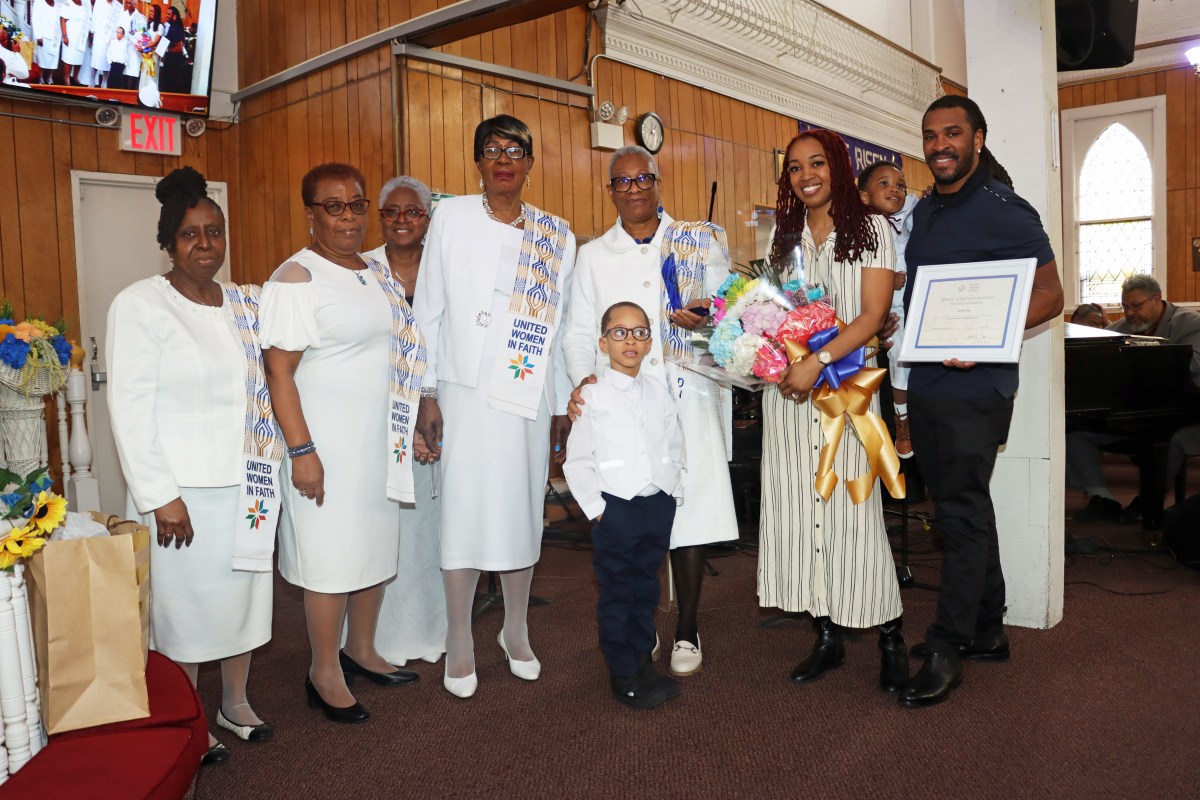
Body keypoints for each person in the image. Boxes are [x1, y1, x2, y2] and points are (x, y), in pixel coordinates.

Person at [107, 167, 278, 767]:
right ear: (168, 242)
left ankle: (234, 702)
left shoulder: (245, 305)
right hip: (182, 494)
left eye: (214, 232)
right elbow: (129, 409)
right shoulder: (140, 305)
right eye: (189, 235)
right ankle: (188, 717)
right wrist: (160, 495)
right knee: (183, 616)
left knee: (242, 604)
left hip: (248, 483)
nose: (205, 245)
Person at [898, 95, 1064, 708]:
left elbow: (1052, 293)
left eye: (952, 134)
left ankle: (946, 644)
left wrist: (991, 332)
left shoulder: (1005, 208)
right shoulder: (925, 213)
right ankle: (987, 627)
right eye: (931, 136)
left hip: (976, 387)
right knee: (957, 505)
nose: (940, 145)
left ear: (977, 137)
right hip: (929, 383)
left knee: (959, 513)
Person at [414, 114, 576, 699]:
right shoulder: (451, 216)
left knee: (518, 507)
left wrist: (559, 403)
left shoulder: (556, 234)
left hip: (525, 392)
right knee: (462, 510)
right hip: (462, 388)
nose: (503, 159)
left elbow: (559, 329)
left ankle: (515, 629)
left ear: (530, 163)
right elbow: (427, 308)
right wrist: (426, 391)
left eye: (515, 150)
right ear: (477, 162)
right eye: (491, 150)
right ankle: (460, 637)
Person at [562, 144, 738, 677]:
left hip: (688, 390)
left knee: (690, 509)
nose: (634, 189)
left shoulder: (694, 241)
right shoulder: (593, 255)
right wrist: (584, 385)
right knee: (632, 512)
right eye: (622, 181)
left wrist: (705, 320)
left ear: (659, 182)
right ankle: (642, 624)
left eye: (644, 179)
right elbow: (577, 330)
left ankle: (687, 627)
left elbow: (731, 317)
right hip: (620, 400)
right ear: (610, 190)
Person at [260, 162, 426, 724]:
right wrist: (302, 453)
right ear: (310, 215)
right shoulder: (295, 279)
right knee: (329, 560)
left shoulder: (373, 272)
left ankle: (362, 648)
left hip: (375, 442)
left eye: (356, 204)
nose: (348, 217)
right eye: (333, 206)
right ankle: (323, 670)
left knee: (373, 549)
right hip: (323, 447)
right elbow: (278, 373)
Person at [760, 128, 909, 694]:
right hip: (793, 398)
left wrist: (816, 360)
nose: (806, 176)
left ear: (839, 167)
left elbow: (871, 316)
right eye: (795, 168)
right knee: (799, 510)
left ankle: (890, 633)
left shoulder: (870, 228)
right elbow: (771, 311)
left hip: (845, 392)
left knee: (854, 515)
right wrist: (764, 353)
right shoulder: (784, 234)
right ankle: (826, 633)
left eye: (816, 163)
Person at [563, 301, 683, 709]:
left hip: (656, 505)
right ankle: (623, 672)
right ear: (603, 342)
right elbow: (577, 461)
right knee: (618, 593)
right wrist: (598, 510)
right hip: (616, 509)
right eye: (619, 332)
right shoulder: (591, 397)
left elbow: (673, 444)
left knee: (646, 590)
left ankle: (642, 661)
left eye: (639, 332)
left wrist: (672, 490)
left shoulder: (658, 391)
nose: (630, 340)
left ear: (650, 342)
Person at [364, 175, 447, 666]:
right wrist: (404, 418)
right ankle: (374, 640)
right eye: (391, 212)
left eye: (412, 211)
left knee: (430, 527)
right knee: (385, 527)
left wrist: (426, 408)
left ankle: (427, 632)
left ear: (427, 219)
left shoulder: (444, 270)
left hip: (437, 416)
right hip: (379, 417)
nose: (401, 220)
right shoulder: (363, 270)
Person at [1066, 274, 1200, 521]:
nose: (1129, 313)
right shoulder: (1119, 329)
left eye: (1136, 306)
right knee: (1075, 432)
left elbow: (1193, 366)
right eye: (1125, 307)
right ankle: (1102, 498)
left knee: (1172, 439)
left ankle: (1147, 503)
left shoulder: (1191, 324)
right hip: (1134, 413)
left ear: (1157, 298)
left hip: (1186, 413)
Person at [858, 161, 917, 459]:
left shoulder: (911, 213)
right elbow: (854, 276)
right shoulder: (860, 229)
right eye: (884, 184)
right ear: (865, 197)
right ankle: (902, 417)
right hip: (886, 306)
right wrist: (885, 279)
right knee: (899, 352)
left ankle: (913, 414)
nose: (895, 189)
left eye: (900, 185)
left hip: (916, 298)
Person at [88, 0, 120, 88]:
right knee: (96, 58)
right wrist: (92, 32)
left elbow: (118, 23)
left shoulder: (118, 6)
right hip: (99, 35)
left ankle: (104, 82)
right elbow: (94, 17)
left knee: (107, 60)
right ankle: (92, 81)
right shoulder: (99, 2)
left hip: (110, 37)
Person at [157, 4, 186, 93]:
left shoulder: (176, 29)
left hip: (174, 62)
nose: (166, 16)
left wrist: (167, 50)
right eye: (166, 13)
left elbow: (179, 48)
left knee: (170, 84)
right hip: (170, 60)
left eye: (169, 14)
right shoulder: (172, 26)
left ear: (174, 16)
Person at [57, 0, 87, 85]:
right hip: (70, 35)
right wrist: (65, 36)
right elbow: (63, 20)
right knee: (68, 57)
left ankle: (75, 76)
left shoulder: (84, 4)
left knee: (79, 57)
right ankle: (66, 77)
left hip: (81, 37)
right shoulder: (68, 3)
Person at [31, 0, 61, 84]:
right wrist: (38, 35)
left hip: (55, 36)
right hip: (43, 36)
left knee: (53, 59)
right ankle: (40, 77)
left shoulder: (58, 4)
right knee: (41, 58)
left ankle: (49, 78)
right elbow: (35, 19)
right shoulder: (39, 2)